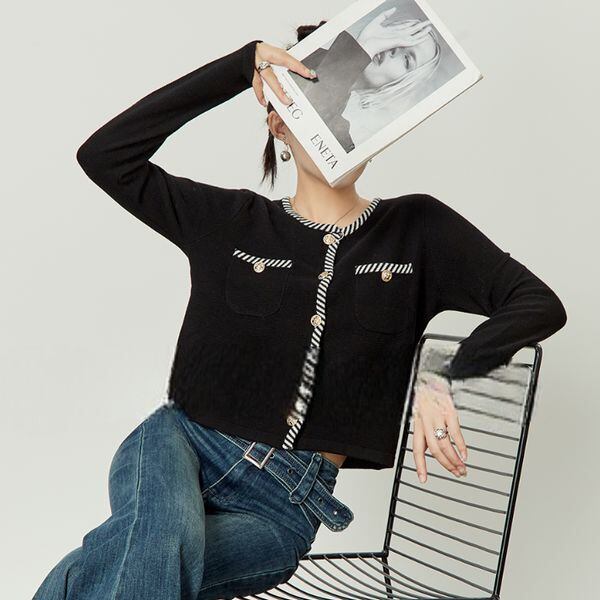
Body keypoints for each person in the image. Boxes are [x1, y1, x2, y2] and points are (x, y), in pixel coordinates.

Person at [33, 19, 567, 600]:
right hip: (178, 447)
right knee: (161, 545)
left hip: (283, 509)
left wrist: (441, 373)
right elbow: (106, 156)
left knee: (110, 570)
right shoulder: (230, 222)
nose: (343, 120)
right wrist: (238, 68)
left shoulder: (420, 229)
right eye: (322, 101)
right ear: (279, 123)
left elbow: (538, 304)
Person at [289, 9, 441, 151]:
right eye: (396, 37)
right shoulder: (301, 62)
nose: (393, 48)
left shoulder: (343, 140)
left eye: (407, 59)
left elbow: (307, 121)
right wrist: (361, 49)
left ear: (402, 84)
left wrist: (360, 52)